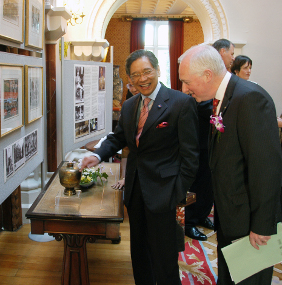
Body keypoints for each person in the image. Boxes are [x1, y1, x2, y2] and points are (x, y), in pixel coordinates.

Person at [81, 49, 200, 285]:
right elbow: (119, 138)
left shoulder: (180, 103)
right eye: (136, 75)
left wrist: (177, 191)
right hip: (135, 192)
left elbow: (191, 156)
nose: (143, 79)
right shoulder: (129, 105)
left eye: (147, 72)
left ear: (157, 70)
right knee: (139, 255)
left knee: (164, 257)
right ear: (130, 79)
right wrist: (98, 155)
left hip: (164, 193)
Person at [179, 44, 282, 285]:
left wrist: (262, 225)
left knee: (249, 280)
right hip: (230, 214)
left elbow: (266, 167)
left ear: (207, 75)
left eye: (186, 81)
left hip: (251, 224)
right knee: (230, 277)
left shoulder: (250, 99)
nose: (184, 89)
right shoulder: (225, 97)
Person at [184, 98, 214, 240]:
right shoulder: (200, 93)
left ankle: (202, 215)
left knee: (208, 185)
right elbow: (203, 108)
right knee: (193, 186)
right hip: (196, 146)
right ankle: (189, 222)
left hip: (211, 146)